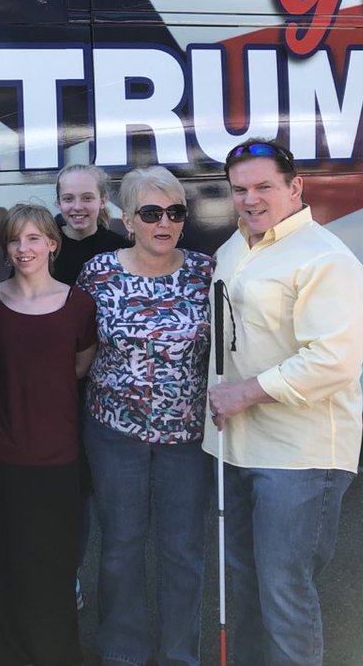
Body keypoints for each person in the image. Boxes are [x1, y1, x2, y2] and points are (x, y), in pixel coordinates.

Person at [205, 139, 363, 666]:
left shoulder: (325, 258)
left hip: (299, 456)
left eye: (264, 186)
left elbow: (333, 360)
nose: (250, 199)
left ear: (295, 187)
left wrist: (244, 392)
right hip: (236, 446)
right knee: (246, 583)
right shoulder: (236, 247)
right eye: (240, 189)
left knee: (283, 591)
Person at [75, 167, 214, 666]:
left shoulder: (206, 272)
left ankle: (180, 654)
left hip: (187, 435)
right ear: (128, 220)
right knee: (121, 545)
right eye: (151, 213)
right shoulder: (98, 273)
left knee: (183, 549)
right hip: (114, 430)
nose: (164, 223)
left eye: (175, 213)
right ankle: (122, 651)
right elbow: (76, 344)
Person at [0, 203, 96, 666]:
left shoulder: (80, 305)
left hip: (57, 455)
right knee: (0, 561)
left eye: (34, 238)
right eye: (14, 240)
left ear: (52, 244)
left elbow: (79, 366)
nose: (23, 248)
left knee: (50, 565)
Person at [50, 163, 127, 609]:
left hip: (103, 389)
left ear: (103, 201)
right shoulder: (44, 247)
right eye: (68, 198)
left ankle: (74, 577)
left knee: (88, 489)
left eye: (86, 198)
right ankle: (55, 573)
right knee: (57, 486)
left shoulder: (120, 250)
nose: (77, 207)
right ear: (58, 202)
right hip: (51, 385)